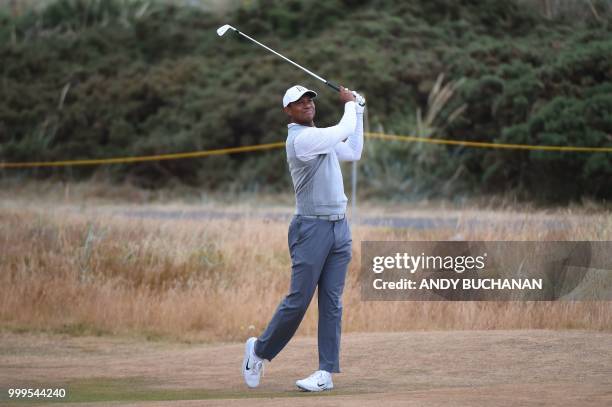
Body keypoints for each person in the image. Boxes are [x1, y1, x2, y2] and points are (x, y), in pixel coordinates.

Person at [241, 84, 365, 392]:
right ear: (288, 111)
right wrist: (352, 105)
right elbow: (343, 128)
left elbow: (353, 151)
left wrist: (359, 112)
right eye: (298, 101)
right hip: (310, 229)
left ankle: (325, 373)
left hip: (339, 227)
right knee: (298, 301)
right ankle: (259, 351)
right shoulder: (301, 140)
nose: (307, 104)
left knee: (332, 303)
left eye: (309, 98)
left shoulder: (320, 137)